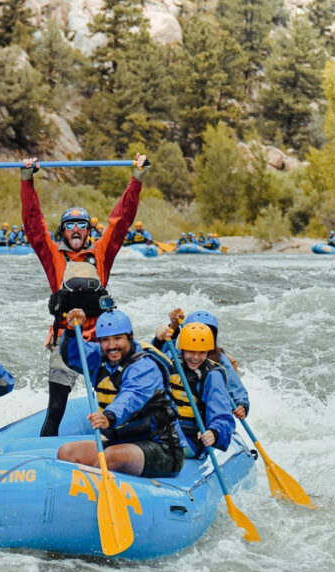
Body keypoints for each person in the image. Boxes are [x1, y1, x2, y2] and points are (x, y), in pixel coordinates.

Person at [20, 153, 149, 436]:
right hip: (66, 337)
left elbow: (121, 219)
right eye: (69, 225)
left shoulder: (102, 252)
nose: (76, 229)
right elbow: (33, 224)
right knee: (55, 410)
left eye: (82, 225)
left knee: (112, 402)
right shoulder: (53, 255)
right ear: (63, 232)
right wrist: (27, 180)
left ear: (89, 231)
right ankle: (48, 458)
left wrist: (136, 178)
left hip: (104, 340)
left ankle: (118, 444)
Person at [57, 308, 184, 477]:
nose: (111, 346)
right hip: (121, 440)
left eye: (117, 338)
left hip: (161, 448)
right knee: (67, 453)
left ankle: (91, 494)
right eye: (105, 340)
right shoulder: (99, 356)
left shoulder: (145, 366)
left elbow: (131, 397)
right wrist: (72, 330)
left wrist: (109, 416)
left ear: (129, 338)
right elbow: (72, 355)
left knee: (111, 458)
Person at [151, 321, 235, 455]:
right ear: (182, 349)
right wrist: (158, 341)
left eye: (201, 352)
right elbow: (144, 360)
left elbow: (222, 416)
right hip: (160, 431)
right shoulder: (169, 362)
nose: (196, 357)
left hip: (190, 439)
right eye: (191, 351)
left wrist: (214, 432)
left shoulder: (212, 376)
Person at [157, 309, 250, 420]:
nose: (200, 338)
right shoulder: (176, 354)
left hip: (205, 414)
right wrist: (172, 327)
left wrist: (241, 404)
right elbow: (158, 353)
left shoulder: (220, 359)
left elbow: (234, 384)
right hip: (177, 415)